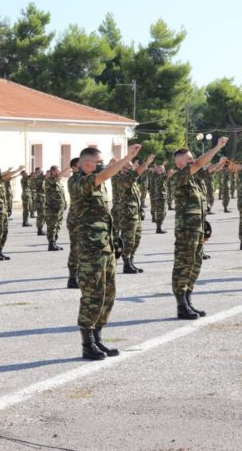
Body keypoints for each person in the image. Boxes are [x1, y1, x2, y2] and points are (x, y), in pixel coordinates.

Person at [74, 144, 142, 360]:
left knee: (107, 295)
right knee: (91, 296)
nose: (102, 165)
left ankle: (98, 337)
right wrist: (126, 158)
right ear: (87, 164)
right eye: (99, 162)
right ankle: (87, 343)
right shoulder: (77, 182)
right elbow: (104, 175)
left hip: (106, 247)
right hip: (90, 250)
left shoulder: (100, 182)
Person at [171, 137, 228, 319]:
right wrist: (217, 146)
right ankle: (181, 305)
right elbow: (202, 162)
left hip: (197, 229)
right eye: (189, 160)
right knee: (184, 266)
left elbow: (207, 169)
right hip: (186, 230)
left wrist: (218, 163)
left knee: (195, 265)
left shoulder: (194, 178)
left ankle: (188, 301)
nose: (193, 161)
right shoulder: (180, 176)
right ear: (180, 163)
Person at [114, 155, 155, 273]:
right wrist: (146, 163)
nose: (131, 169)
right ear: (122, 169)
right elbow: (134, 174)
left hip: (135, 214)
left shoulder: (132, 181)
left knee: (136, 239)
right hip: (127, 215)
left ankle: (131, 261)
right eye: (129, 167)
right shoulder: (120, 179)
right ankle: (126, 263)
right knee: (128, 240)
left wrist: (140, 209)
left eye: (132, 167)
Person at [0, 164, 25, 260]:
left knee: (4, 231)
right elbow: (5, 175)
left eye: (0, 168)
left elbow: (7, 176)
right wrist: (17, 169)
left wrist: (16, 172)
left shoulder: (0, 181)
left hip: (2, 209)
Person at [44, 164, 70, 251]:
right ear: (52, 171)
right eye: (57, 171)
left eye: (59, 171)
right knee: (52, 226)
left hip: (59, 208)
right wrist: (69, 166)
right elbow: (59, 176)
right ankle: (51, 244)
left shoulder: (58, 182)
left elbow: (61, 195)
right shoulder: (50, 180)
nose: (59, 172)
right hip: (52, 208)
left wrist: (64, 203)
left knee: (58, 225)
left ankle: (54, 242)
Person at [66, 157, 81, 289]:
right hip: (76, 220)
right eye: (79, 165)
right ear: (74, 168)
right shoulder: (74, 179)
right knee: (75, 249)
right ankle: (72, 277)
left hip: (85, 220)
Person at [150, 164, 169, 234]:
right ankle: (158, 228)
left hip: (162, 197)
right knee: (160, 213)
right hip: (159, 197)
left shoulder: (161, 176)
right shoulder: (157, 177)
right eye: (160, 169)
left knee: (163, 212)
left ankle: (159, 226)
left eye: (163, 169)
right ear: (157, 171)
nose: (162, 171)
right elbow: (165, 176)